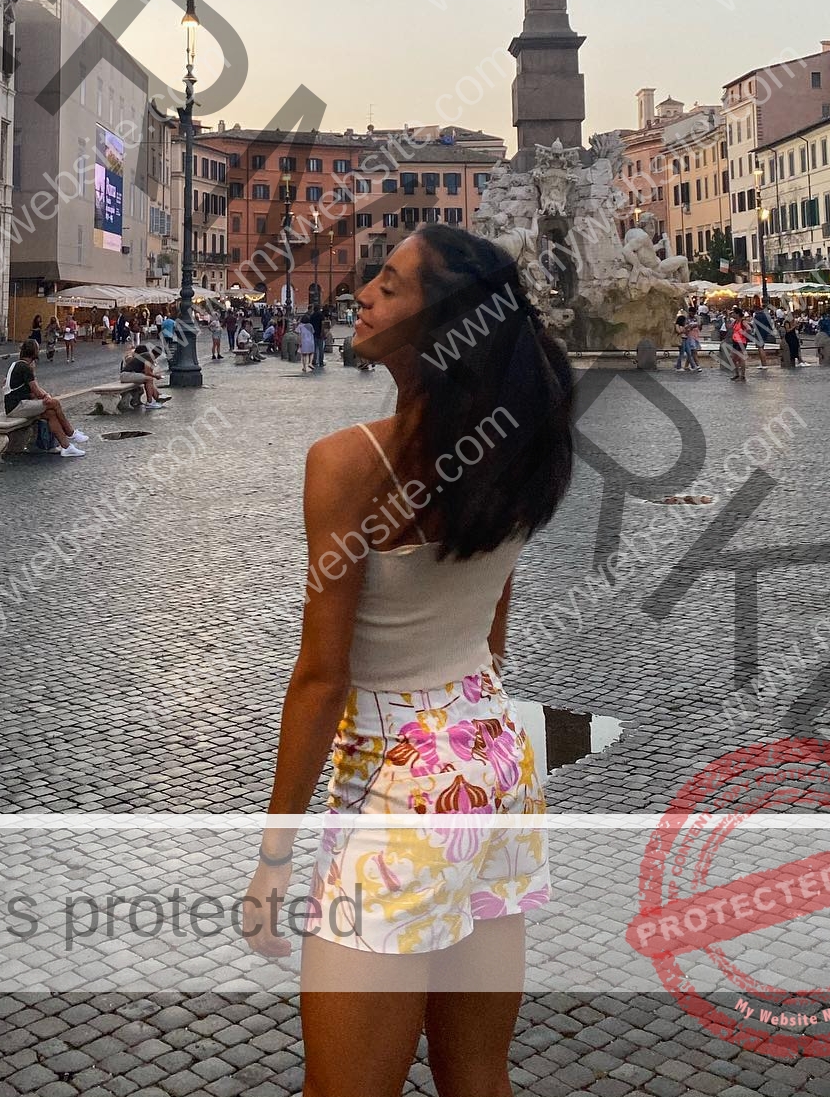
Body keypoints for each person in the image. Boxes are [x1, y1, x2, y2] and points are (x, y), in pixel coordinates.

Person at [243, 225, 574, 1090]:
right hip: (494, 755)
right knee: (478, 1077)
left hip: (402, 782)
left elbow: (320, 678)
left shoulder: (350, 465)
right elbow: (495, 604)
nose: (362, 293)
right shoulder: (521, 442)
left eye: (388, 286)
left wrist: (275, 855)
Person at [2, 339, 87, 455]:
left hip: (15, 405)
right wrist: (46, 396)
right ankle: (71, 433)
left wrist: (44, 395)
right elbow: (36, 390)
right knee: (55, 403)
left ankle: (66, 447)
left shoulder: (17, 364)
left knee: (51, 414)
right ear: (33, 352)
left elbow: (30, 389)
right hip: (17, 407)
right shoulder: (25, 368)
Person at [121, 338, 170, 409]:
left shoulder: (148, 355)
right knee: (149, 379)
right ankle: (150, 402)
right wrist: (157, 376)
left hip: (128, 374)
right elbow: (148, 372)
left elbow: (146, 371)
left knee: (148, 379)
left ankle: (157, 397)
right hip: (126, 375)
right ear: (157, 355)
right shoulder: (148, 356)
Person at [750, 302, 776, 372]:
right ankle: (764, 363)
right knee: (762, 347)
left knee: (760, 348)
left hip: (759, 332)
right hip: (765, 332)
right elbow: (770, 325)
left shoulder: (757, 316)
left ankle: (764, 364)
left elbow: (754, 325)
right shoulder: (766, 315)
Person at [728, 309, 748, 382]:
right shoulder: (735, 322)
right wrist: (727, 318)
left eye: (734, 313)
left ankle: (742, 375)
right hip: (735, 341)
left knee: (741, 359)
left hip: (741, 342)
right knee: (733, 358)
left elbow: (749, 328)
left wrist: (743, 333)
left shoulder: (743, 321)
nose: (733, 315)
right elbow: (729, 327)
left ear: (738, 314)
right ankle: (737, 374)